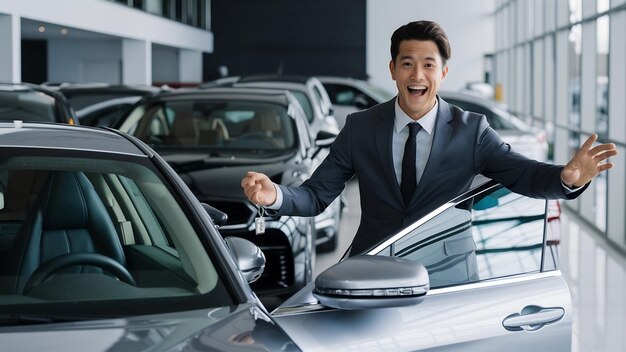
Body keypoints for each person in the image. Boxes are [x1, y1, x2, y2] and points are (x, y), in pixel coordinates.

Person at [241, 20, 618, 255]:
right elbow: (315, 195)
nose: (416, 74)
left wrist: (567, 179)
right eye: (407, 63)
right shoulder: (360, 127)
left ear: (443, 72)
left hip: (448, 273)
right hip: (374, 266)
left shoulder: (472, 130)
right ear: (393, 69)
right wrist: (275, 196)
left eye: (428, 65)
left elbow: (524, 174)